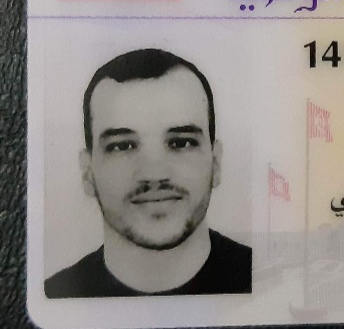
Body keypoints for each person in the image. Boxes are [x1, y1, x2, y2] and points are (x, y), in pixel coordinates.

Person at [45, 48, 251, 298]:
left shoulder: (263, 283)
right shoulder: (55, 297)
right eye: (122, 146)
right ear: (88, 173)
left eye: (181, 143)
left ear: (215, 163)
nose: (154, 174)